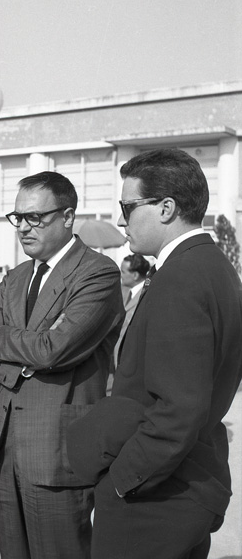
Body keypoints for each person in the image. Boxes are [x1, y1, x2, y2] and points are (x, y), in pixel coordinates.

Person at [71, 148, 242, 559]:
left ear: (166, 208)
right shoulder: (212, 266)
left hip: (155, 500)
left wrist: (121, 481)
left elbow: (179, 408)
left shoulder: (182, 276)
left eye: (127, 207)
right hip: (181, 485)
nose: (121, 221)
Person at [0, 171, 124, 559]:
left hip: (56, 452)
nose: (23, 227)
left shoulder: (98, 273)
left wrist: (2, 337)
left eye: (35, 217)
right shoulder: (16, 277)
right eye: (18, 217)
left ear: (67, 216)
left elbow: (53, 349)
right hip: (4, 450)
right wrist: (21, 364)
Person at [106, 253, 151, 392]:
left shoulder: (148, 293)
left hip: (132, 360)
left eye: (123, 272)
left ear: (135, 275)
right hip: (117, 359)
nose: (121, 275)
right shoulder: (123, 291)